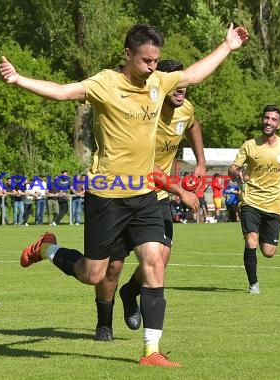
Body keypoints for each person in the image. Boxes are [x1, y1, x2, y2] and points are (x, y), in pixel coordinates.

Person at [0, 23, 248, 366]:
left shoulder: (159, 81)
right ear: (127, 55)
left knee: (154, 263)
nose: (151, 67)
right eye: (146, 60)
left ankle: (151, 351)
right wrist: (19, 79)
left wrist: (227, 46)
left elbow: (193, 74)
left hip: (145, 194)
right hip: (106, 196)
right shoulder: (105, 83)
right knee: (94, 275)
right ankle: (47, 248)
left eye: (155, 61)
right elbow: (61, 91)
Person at [90, 59, 207, 343]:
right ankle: (104, 322)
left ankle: (131, 291)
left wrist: (201, 162)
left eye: (185, 85)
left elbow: (192, 124)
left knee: (160, 259)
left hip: (158, 198)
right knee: (111, 267)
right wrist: (181, 191)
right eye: (176, 84)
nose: (181, 90)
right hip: (125, 192)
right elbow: (145, 168)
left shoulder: (185, 110)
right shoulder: (143, 114)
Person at [228, 105, 280, 295]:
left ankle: (259, 240)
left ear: (279, 124)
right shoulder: (249, 145)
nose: (269, 122)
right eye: (266, 118)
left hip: (274, 204)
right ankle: (253, 284)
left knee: (268, 252)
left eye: (273, 119)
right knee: (251, 240)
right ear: (262, 120)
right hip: (251, 201)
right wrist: (236, 172)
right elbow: (232, 168)